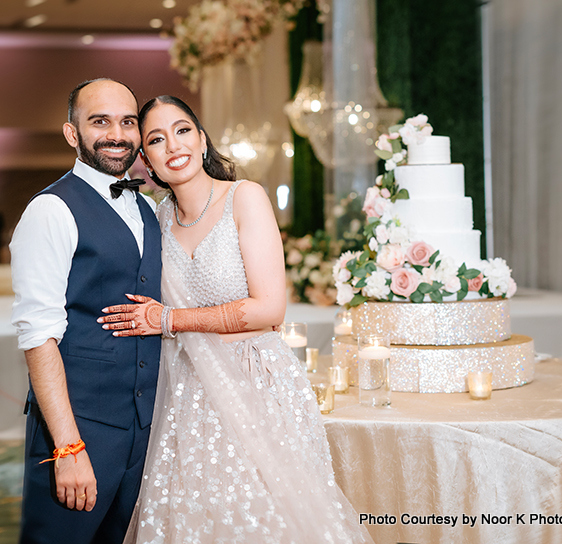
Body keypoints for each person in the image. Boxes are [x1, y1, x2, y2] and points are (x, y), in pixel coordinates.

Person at [99, 96, 373, 543]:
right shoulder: (156, 219)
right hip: (185, 392)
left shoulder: (244, 198)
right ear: (145, 159)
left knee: (266, 514)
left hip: (254, 382)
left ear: (202, 139)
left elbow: (269, 309)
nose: (174, 145)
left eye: (183, 130)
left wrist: (169, 319)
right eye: (156, 139)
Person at [9, 78, 161, 544]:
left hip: (145, 428)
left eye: (127, 121)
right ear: (72, 134)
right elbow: (38, 335)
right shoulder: (51, 210)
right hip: (81, 428)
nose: (117, 134)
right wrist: (68, 446)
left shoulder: (150, 208)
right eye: (100, 121)